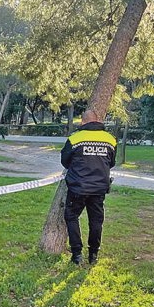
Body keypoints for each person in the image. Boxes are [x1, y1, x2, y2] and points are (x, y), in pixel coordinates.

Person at [60, 111, 117, 265]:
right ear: (97, 120)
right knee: (96, 221)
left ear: (82, 122)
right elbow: (111, 162)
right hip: (99, 189)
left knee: (71, 217)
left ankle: (77, 254)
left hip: (78, 187)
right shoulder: (110, 139)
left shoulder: (75, 139)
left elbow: (65, 161)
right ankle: (93, 254)